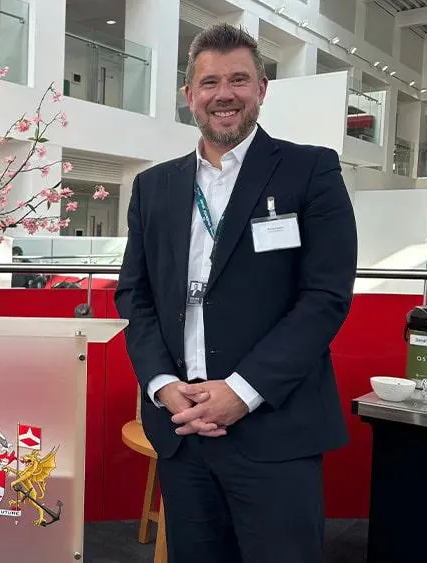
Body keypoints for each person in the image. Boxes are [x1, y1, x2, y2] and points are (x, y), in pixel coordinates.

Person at [114, 23, 357, 563]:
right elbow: (136, 296)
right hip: (182, 429)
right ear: (189, 96)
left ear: (262, 88)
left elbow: (325, 298)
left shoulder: (310, 169)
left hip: (274, 427)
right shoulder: (154, 186)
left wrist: (241, 392)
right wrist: (161, 385)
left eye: (239, 80)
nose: (224, 94)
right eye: (210, 82)